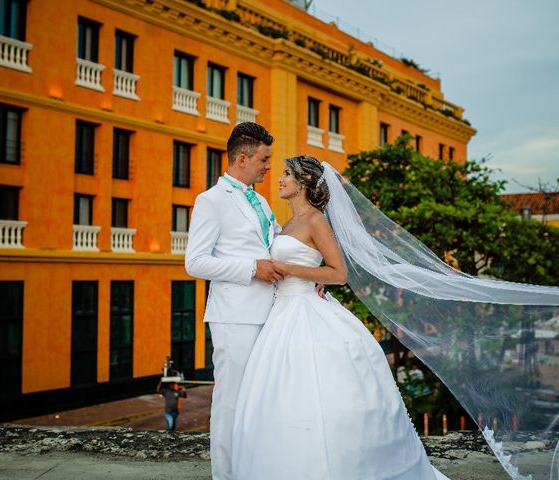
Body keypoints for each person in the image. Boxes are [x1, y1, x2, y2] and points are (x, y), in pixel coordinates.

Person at [231, 155, 449, 479]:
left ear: (304, 183)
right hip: (281, 312)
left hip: (306, 310)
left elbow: (339, 272)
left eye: (287, 174)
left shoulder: (316, 220)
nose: (280, 179)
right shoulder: (287, 223)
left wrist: (291, 269)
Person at [185, 122, 282, 480]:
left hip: (272, 313)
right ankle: (225, 476)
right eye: (264, 159)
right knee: (231, 401)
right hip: (235, 317)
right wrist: (251, 268)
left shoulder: (263, 200)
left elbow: (273, 248)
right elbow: (194, 262)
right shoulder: (210, 201)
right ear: (242, 158)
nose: (269, 166)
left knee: (261, 400)